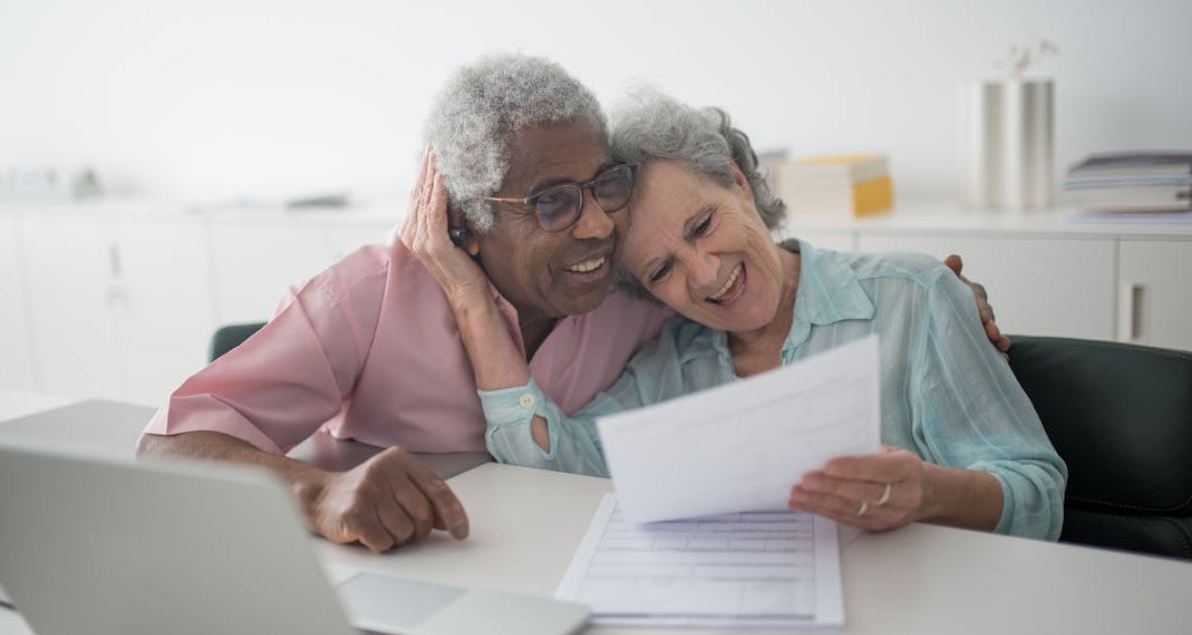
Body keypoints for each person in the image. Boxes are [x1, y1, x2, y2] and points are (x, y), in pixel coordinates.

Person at [138, 55, 1005, 552]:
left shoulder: (639, 290)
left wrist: (940, 292)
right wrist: (315, 494)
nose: (597, 224)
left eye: (605, 185)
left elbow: (758, 279)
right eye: (553, 201)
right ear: (468, 222)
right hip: (380, 580)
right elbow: (166, 447)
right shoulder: (369, 295)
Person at [404, 93, 1065, 540]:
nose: (704, 274)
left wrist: (926, 491)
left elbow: (1037, 494)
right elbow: (551, 470)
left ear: (738, 183)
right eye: (661, 270)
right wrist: (471, 301)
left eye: (701, 224)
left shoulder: (913, 296)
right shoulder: (670, 363)